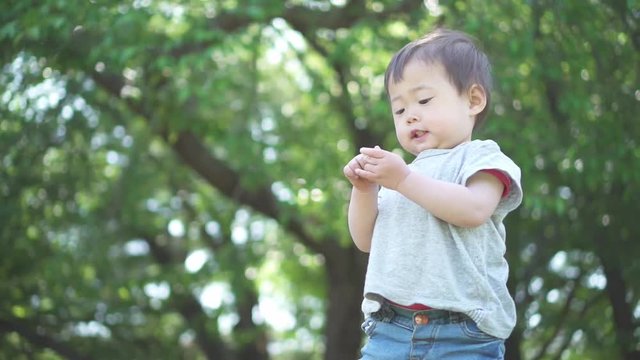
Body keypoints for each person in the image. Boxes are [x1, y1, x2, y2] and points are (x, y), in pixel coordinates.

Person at [343, 28, 523, 359]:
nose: (410, 114)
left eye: (424, 100)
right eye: (399, 110)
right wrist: (364, 189)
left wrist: (402, 179)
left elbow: (473, 210)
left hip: (462, 334)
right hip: (390, 331)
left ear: (473, 100)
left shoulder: (480, 157)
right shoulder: (402, 174)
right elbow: (366, 239)